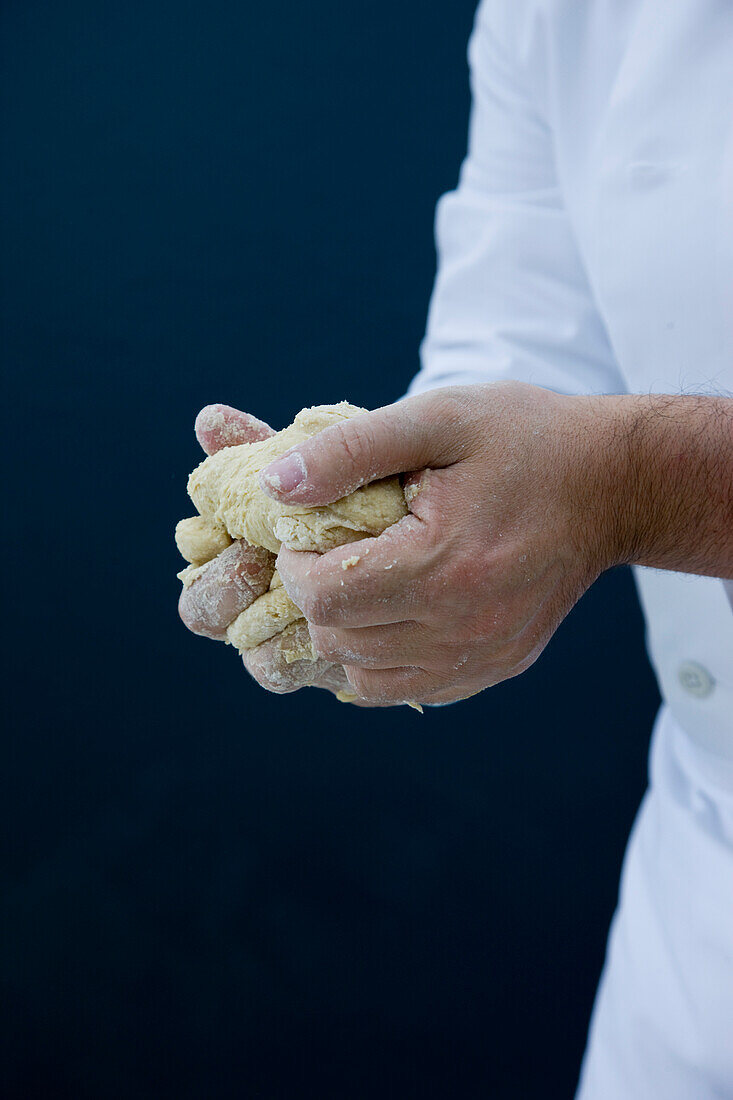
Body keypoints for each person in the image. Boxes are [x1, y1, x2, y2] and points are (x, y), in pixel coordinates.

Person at [178, 1, 733, 1095]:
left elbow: (590, 465)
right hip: (706, 872)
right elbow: (516, 351)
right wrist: (389, 504)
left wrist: (628, 486)